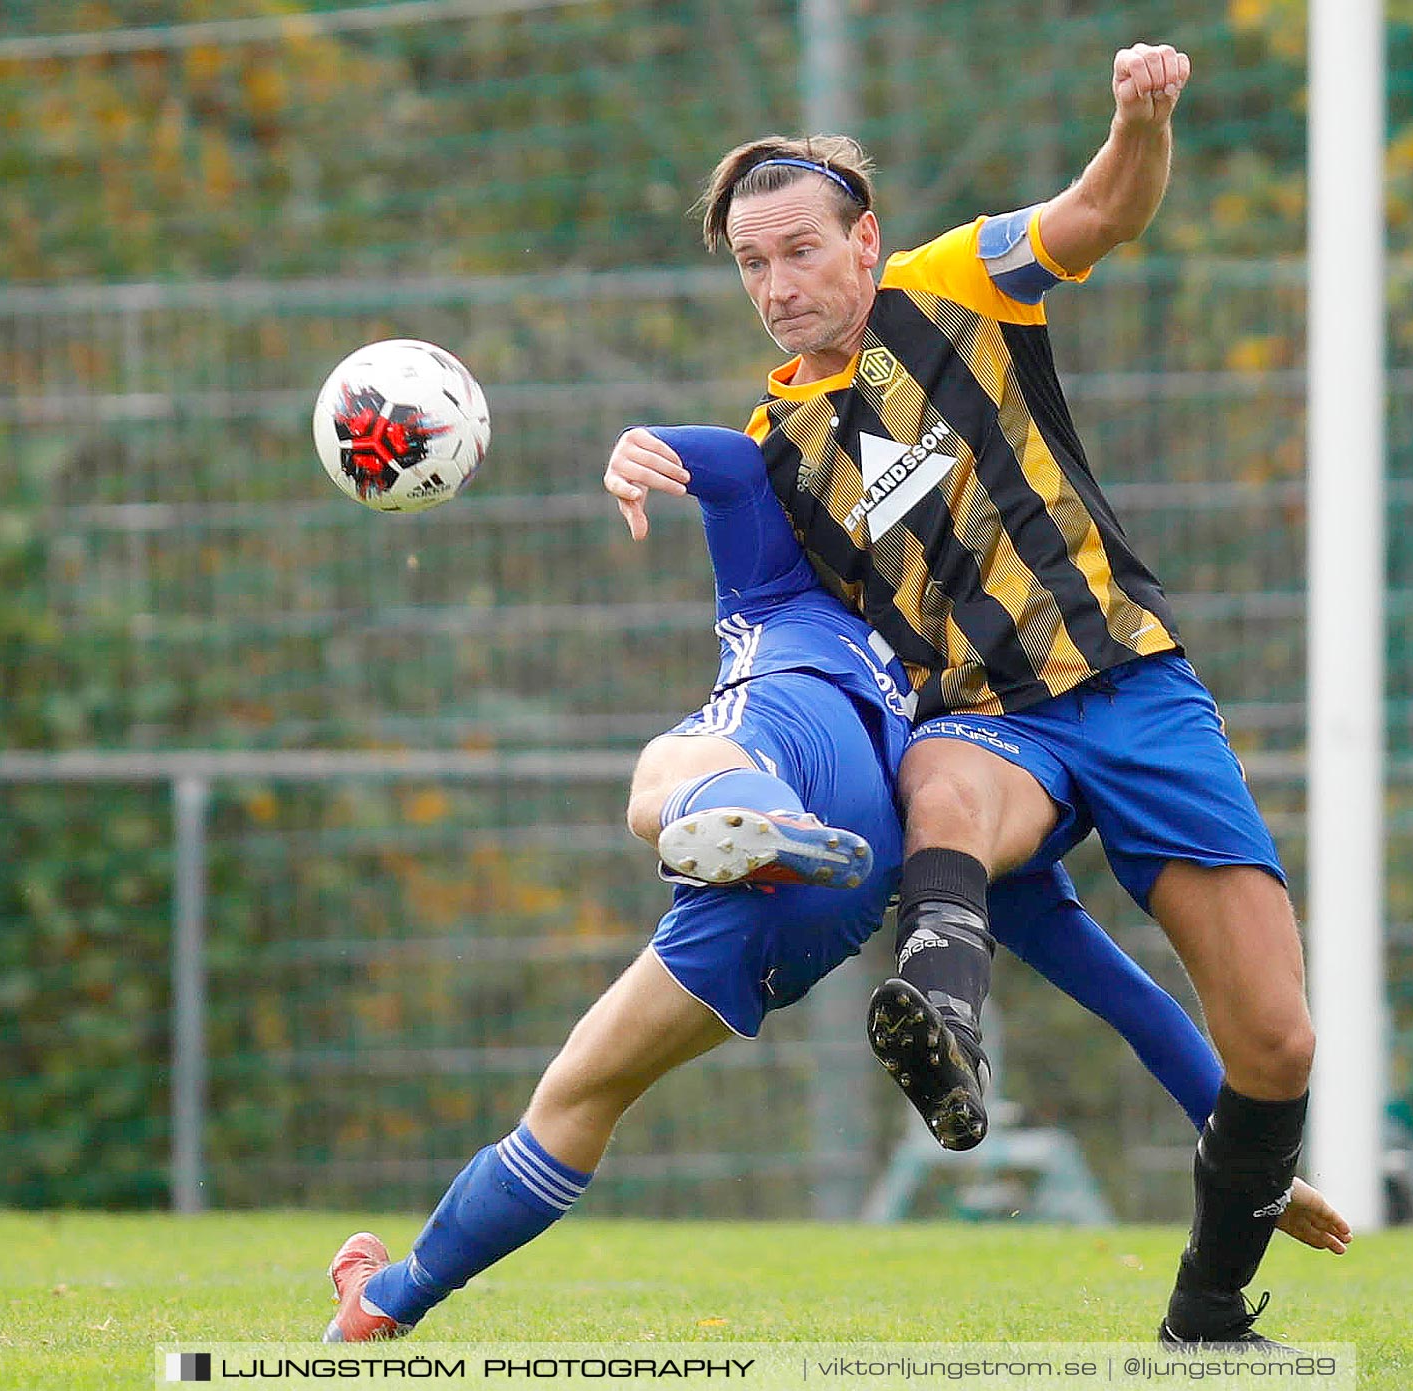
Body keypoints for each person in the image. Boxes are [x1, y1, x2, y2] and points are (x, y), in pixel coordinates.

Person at [326, 427, 1345, 1342]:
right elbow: (1113, 983)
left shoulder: (806, 603)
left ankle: (740, 820)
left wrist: (649, 445)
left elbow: (730, 466)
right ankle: (385, 1297)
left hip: (788, 757)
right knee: (576, 1095)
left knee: (666, 774)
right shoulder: (945, 719)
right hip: (840, 892)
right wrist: (1240, 1142)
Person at [603, 44, 1317, 1348]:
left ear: (864, 238)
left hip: (1136, 686)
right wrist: (653, 455)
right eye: (751, 265)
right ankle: (944, 1025)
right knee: (936, 778)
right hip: (989, 720)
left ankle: (1208, 1316)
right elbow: (740, 521)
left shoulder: (953, 280)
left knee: (1276, 1045)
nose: (776, 285)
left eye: (799, 252)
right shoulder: (779, 453)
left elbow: (1104, 211)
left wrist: (1138, 120)